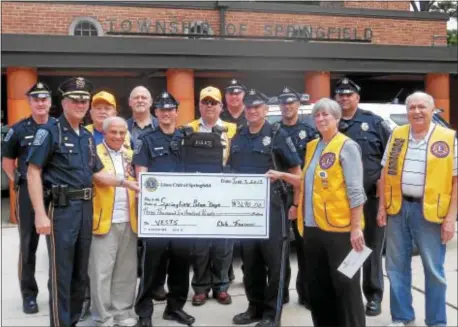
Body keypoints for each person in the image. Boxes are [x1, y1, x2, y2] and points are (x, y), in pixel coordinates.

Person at [26, 77, 139, 327]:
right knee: (61, 273)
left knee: (80, 274)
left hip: (86, 208)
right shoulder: (50, 131)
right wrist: (40, 214)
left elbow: (96, 173)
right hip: (62, 209)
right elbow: (33, 171)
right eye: (75, 99)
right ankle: (60, 323)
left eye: (84, 100)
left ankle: (74, 320)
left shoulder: (87, 137)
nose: (80, 104)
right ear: (64, 102)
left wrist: (125, 183)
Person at [266, 97, 367, 327]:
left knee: (346, 288)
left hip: (340, 231)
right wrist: (282, 175)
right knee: (319, 289)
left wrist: (356, 227)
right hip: (312, 228)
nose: (320, 119)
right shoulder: (313, 145)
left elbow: (355, 191)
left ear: (337, 119)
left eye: (326, 115)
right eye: (317, 115)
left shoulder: (347, 146)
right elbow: (306, 182)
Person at [377, 91, 457, 327]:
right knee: (395, 267)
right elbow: (384, 172)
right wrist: (381, 206)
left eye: (422, 107)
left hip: (430, 212)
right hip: (398, 209)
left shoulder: (447, 137)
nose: (417, 112)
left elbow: (455, 181)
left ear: (433, 111)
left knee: (434, 270)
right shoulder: (397, 135)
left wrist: (451, 219)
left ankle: (436, 321)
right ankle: (402, 316)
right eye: (412, 108)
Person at [229, 89, 301, 327]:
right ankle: (254, 308)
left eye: (257, 107)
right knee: (250, 263)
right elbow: (231, 170)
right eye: (249, 107)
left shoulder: (277, 134)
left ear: (266, 110)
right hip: (246, 209)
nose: (252, 111)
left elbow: (296, 173)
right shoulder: (238, 136)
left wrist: (296, 204)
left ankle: (272, 314)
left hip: (274, 207)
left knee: (275, 263)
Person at [133, 91, 195, 327]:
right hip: (157, 214)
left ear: (176, 112)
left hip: (184, 214)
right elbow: (141, 175)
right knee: (151, 267)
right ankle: (144, 313)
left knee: (181, 265)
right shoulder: (147, 140)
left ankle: (175, 308)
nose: (166, 113)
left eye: (170, 109)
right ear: (155, 112)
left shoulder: (187, 138)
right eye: (162, 109)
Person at [335, 77, 391, 316]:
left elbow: (390, 161)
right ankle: (348, 294)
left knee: (372, 248)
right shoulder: (329, 122)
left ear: (357, 97)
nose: (344, 98)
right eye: (340, 94)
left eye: (349, 94)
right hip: (339, 201)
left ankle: (373, 295)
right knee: (345, 248)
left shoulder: (374, 122)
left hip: (370, 198)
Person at [1, 81, 54, 314]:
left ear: (51, 102)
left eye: (44, 99)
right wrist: (21, 183)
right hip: (28, 196)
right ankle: (29, 295)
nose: (41, 103)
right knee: (28, 245)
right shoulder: (18, 129)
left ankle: (57, 292)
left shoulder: (59, 126)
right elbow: (7, 163)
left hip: (55, 193)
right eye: (36, 99)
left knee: (58, 247)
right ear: (30, 102)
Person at [185, 86, 236, 306]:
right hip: (198, 194)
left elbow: (237, 160)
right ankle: (200, 287)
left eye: (213, 102)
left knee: (223, 244)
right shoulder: (188, 129)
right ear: (199, 105)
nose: (209, 106)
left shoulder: (233, 129)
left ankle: (221, 286)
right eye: (205, 102)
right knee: (199, 244)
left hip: (224, 192)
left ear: (220, 106)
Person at [88, 117, 138, 327]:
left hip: (129, 220)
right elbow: (97, 178)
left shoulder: (131, 155)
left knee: (126, 271)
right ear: (104, 133)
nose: (118, 136)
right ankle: (103, 317)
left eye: (122, 132)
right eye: (113, 132)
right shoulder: (94, 153)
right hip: (103, 220)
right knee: (101, 272)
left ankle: (123, 312)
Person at [277, 86, 317, 307]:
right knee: (281, 251)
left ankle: (306, 294)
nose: (287, 106)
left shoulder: (309, 131)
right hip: (279, 197)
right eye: (284, 103)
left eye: (291, 102)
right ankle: (281, 294)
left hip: (304, 198)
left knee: (305, 249)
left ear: (298, 105)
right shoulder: (273, 131)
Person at [126, 85, 165, 300]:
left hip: (155, 193)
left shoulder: (162, 124)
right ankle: (134, 286)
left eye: (144, 97)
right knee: (132, 241)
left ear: (151, 103)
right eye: (136, 97)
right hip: (126, 189)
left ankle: (157, 285)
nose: (140, 100)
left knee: (156, 241)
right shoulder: (121, 126)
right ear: (130, 103)